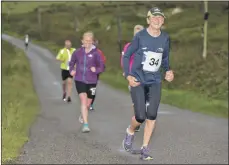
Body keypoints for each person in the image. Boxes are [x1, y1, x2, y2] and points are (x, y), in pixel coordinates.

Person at [122, 7, 174, 160]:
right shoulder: (140, 36)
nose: (157, 20)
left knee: (151, 114)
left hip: (155, 81)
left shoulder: (165, 38)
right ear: (148, 20)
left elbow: (164, 58)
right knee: (140, 116)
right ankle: (130, 131)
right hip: (138, 80)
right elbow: (127, 56)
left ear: (163, 21)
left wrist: (168, 71)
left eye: (160, 18)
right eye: (154, 18)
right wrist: (128, 75)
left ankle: (145, 148)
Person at [69, 31, 105, 133]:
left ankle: (83, 114)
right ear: (82, 41)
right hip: (80, 79)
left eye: (90, 41)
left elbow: (102, 67)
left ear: (93, 41)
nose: (88, 43)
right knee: (83, 100)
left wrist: (96, 70)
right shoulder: (77, 52)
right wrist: (72, 70)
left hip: (92, 81)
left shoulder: (96, 54)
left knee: (88, 103)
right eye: (86, 41)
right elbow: (72, 62)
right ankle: (85, 124)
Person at [121, 25, 145, 132]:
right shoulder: (128, 46)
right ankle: (137, 119)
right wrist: (126, 72)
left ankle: (141, 118)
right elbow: (124, 59)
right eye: (136, 32)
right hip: (133, 77)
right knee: (136, 101)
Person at [89, 39, 106, 111]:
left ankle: (90, 104)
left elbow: (103, 63)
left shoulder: (99, 52)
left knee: (92, 89)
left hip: (95, 74)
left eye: (96, 44)